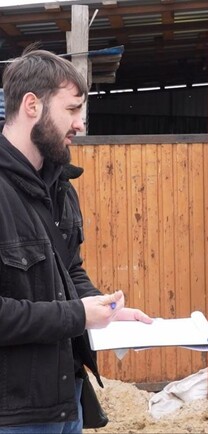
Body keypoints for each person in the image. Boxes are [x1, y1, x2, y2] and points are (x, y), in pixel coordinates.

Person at [0, 49, 152, 433]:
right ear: (31, 105)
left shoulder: (61, 186)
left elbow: (69, 269)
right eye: (71, 110)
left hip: (69, 397)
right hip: (14, 415)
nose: (80, 124)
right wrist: (79, 315)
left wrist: (106, 310)